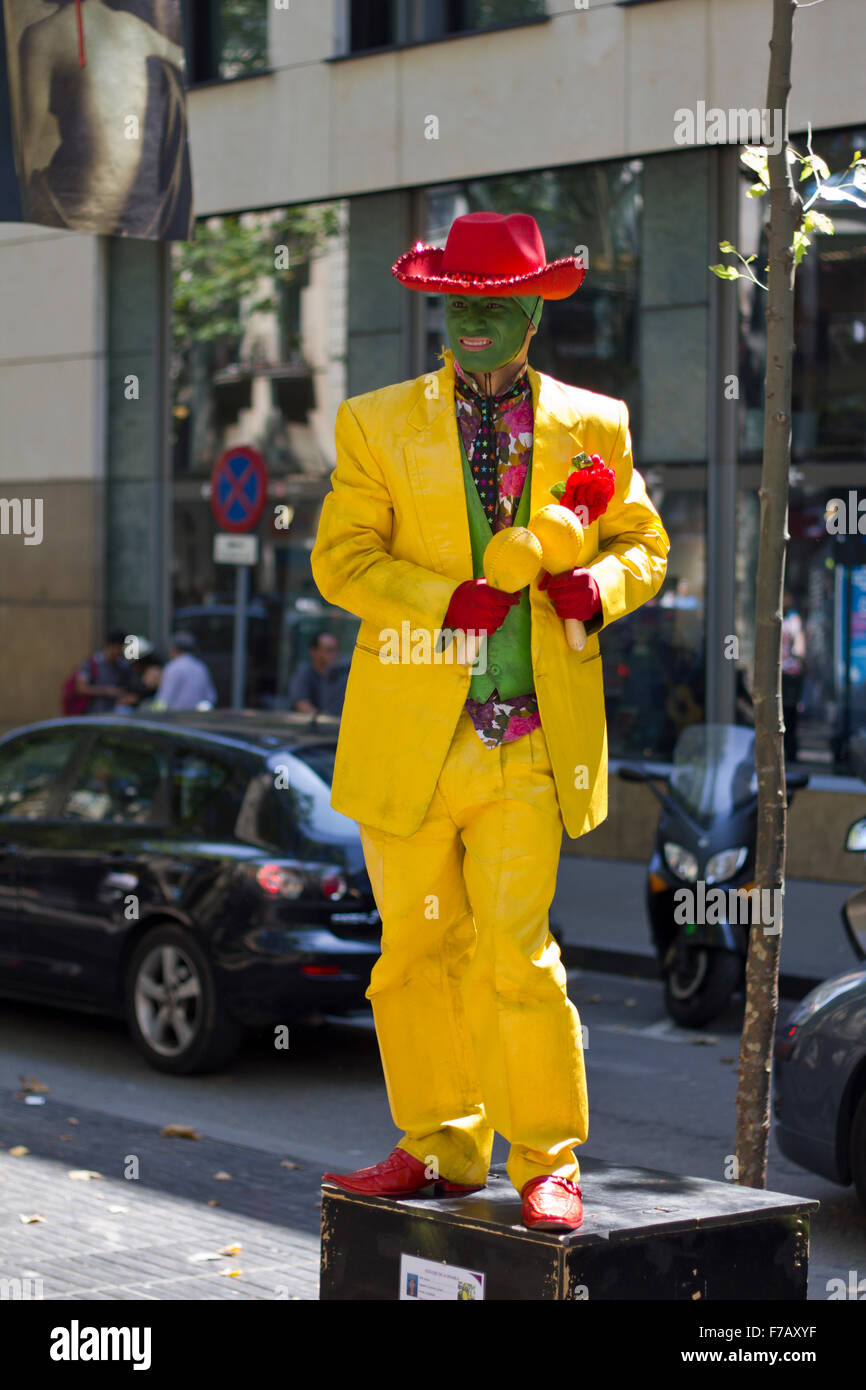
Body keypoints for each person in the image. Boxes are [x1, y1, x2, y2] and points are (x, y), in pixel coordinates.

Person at [311, 211, 669, 1232]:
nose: (472, 322)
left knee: (517, 957)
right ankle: (437, 1145)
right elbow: (338, 558)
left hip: (524, 743)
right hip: (411, 746)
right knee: (414, 959)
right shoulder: (374, 422)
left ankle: (546, 1160)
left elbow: (641, 540)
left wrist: (592, 588)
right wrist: (436, 599)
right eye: (457, 304)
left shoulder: (593, 425)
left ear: (533, 312)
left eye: (494, 304)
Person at [288, 632, 349, 716]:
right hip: (314, 727)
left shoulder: (341, 674)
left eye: (336, 650)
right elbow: (301, 704)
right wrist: (323, 719)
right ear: (314, 652)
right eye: (329, 650)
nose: (335, 654)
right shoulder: (304, 674)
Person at [154, 633, 216, 711]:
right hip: (197, 718)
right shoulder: (200, 666)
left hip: (174, 718)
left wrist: (153, 713)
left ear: (174, 649)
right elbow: (210, 697)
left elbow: (164, 699)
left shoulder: (173, 667)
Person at [75, 629, 131, 713]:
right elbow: (81, 688)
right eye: (119, 648)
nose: (120, 652)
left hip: (115, 713)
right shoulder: (92, 663)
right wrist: (107, 691)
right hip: (93, 714)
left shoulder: (122, 665)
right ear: (110, 646)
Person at [781, 588, 806, 763]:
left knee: (789, 711)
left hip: (789, 671)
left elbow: (799, 647)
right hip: (782, 669)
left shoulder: (792, 620)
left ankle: (790, 749)